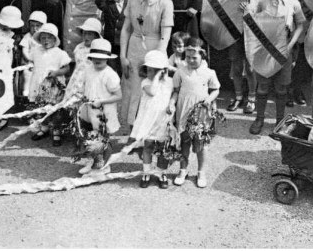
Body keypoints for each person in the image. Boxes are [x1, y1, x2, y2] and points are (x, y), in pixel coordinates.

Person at [249, 0, 306, 135]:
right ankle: (259, 118)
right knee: (263, 86)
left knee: (282, 88)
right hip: (265, 49)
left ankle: (280, 120)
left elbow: (301, 24)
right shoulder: (263, 2)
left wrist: (290, 45)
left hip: (284, 47)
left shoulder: (293, 3)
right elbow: (258, 22)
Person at [120, 0, 174, 128]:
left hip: (155, 48)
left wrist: (155, 62)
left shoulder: (165, 2)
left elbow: (165, 35)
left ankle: (151, 133)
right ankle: (132, 129)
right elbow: (126, 29)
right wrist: (123, 56)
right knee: (133, 88)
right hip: (134, 47)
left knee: (152, 89)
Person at [168, 38, 220, 188]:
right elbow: (176, 91)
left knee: (200, 144)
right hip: (183, 111)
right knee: (184, 141)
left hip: (200, 113)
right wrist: (172, 103)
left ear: (202, 55)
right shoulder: (180, 71)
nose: (190, 60)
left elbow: (216, 89)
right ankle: (183, 170)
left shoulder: (209, 72)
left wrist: (209, 99)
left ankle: (201, 172)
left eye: (194, 57)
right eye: (188, 57)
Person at [79, 38, 122, 174]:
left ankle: (104, 165)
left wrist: (101, 101)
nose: (97, 60)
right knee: (90, 138)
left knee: (102, 140)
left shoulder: (110, 75)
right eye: (94, 57)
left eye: (101, 58)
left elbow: (118, 96)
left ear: (107, 58)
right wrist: (81, 96)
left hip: (103, 113)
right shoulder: (88, 69)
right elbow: (86, 86)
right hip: (89, 111)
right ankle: (92, 161)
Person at [132, 50, 175, 190]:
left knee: (163, 148)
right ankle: (146, 172)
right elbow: (152, 92)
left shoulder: (170, 82)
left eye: (155, 70)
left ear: (163, 70)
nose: (151, 73)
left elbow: (175, 92)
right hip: (149, 120)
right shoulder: (146, 82)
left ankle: (161, 172)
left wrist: (172, 103)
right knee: (148, 145)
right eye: (149, 70)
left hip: (163, 120)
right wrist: (156, 77)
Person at [26, 22, 71, 141]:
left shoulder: (59, 53)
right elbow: (31, 61)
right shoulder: (36, 51)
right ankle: (44, 127)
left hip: (53, 85)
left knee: (55, 109)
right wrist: (30, 65)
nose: (46, 40)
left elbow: (67, 68)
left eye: (49, 37)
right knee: (42, 107)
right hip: (39, 83)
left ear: (55, 39)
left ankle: (56, 130)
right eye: (43, 37)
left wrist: (56, 72)